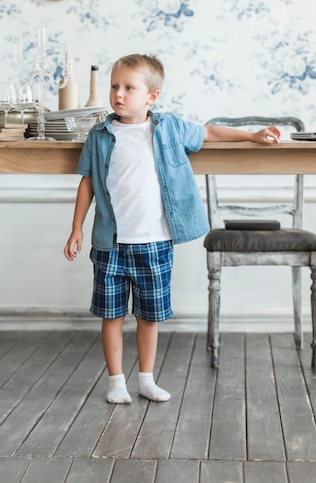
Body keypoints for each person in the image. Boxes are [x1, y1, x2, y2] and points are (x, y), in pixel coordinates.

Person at [63, 53, 281, 404]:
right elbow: (87, 182)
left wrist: (253, 136)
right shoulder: (100, 134)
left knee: (149, 316)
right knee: (112, 315)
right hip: (110, 244)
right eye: (114, 86)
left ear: (151, 96)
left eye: (129, 87)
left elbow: (208, 132)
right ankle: (115, 380)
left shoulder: (169, 128)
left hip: (155, 243)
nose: (118, 94)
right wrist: (76, 228)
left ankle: (146, 379)